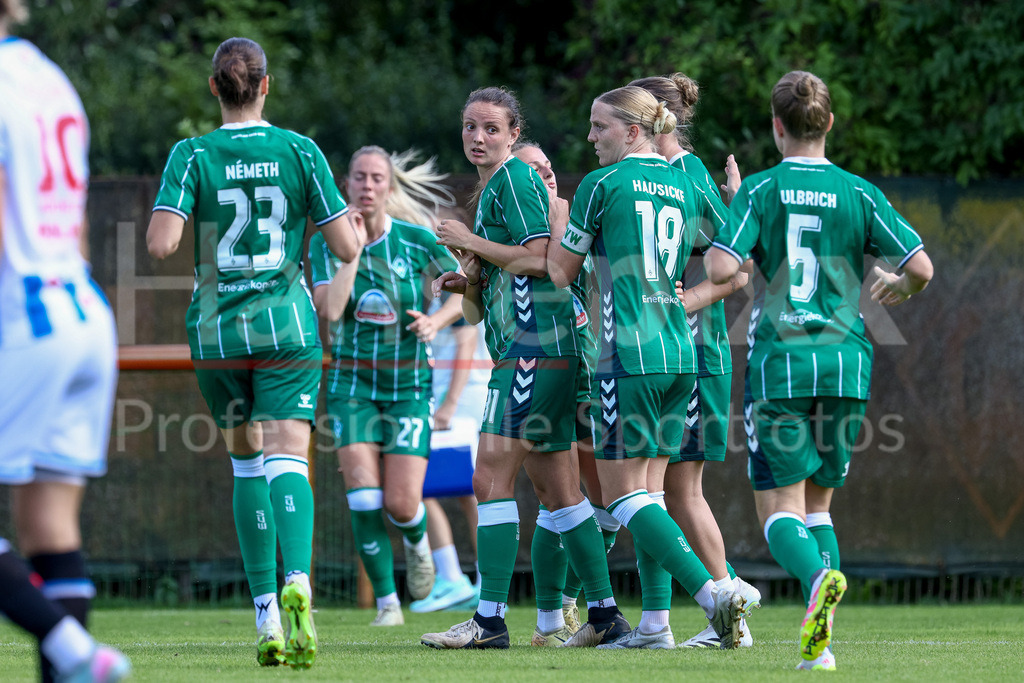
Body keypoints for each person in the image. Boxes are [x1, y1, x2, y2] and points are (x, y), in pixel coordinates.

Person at [704, 70, 933, 671]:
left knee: (778, 509)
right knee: (819, 508)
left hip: (782, 359)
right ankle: (820, 648)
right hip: (846, 360)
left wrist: (735, 219)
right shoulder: (859, 193)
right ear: (828, 122)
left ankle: (817, 587)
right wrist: (898, 287)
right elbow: (922, 269)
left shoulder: (761, 188)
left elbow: (724, 266)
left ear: (777, 127)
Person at [147, 37, 364, 669]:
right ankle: (299, 581)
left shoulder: (192, 153)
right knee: (289, 459)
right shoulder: (300, 150)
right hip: (286, 327)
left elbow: (161, 244)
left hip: (217, 332)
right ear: (266, 86)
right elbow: (346, 249)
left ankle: (267, 613)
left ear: (214, 88)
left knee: (245, 465)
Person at [421, 86, 629, 650]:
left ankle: (488, 621)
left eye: (491, 128)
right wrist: (469, 277)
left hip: (534, 348)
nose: (478, 137)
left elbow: (544, 259)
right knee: (559, 490)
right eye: (470, 127)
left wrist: (468, 242)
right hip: (540, 348)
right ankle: (606, 616)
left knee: (488, 474)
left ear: (514, 133)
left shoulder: (513, 179)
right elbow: (514, 269)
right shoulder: (492, 187)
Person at [546, 85, 751, 650]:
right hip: (681, 356)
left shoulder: (600, 185)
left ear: (633, 131)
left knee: (622, 496)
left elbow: (561, 272)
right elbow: (731, 256)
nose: (590, 137)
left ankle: (717, 598)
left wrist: (556, 216)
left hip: (627, 355)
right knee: (652, 496)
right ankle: (656, 627)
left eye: (599, 127)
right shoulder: (682, 184)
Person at [0, 2, 131, 681]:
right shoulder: (48, 78)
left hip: (24, 321)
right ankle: (74, 659)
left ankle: (74, 648)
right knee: (50, 526)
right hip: (82, 310)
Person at [629, 72, 760, 649]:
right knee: (654, 492)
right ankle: (657, 623)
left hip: (691, 356)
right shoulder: (646, 174)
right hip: (658, 354)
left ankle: (729, 606)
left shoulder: (685, 174)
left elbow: (740, 269)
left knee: (674, 493)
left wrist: (682, 302)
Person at [308, 146, 462, 626]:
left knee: (400, 503)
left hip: (408, 386)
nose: (368, 186)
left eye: (377, 178)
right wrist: (350, 251)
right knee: (362, 494)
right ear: (346, 185)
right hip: (352, 385)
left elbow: (467, 291)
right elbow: (329, 312)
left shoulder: (416, 241)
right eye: (360, 178)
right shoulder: (324, 244)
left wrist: (437, 320)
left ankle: (417, 540)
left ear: (389, 187)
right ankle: (388, 604)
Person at [511, 140, 621, 645]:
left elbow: (559, 265)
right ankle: (551, 619)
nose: (548, 174)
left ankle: (574, 604)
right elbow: (478, 309)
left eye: (550, 167)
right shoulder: (513, 219)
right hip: (541, 364)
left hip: (586, 360)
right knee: (554, 495)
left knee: (607, 500)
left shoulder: (568, 214)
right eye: (536, 169)